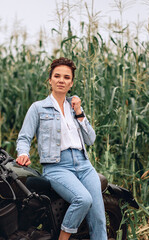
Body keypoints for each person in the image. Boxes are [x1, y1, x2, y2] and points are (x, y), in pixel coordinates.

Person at [16, 57, 107, 240]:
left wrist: (80, 113)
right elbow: (24, 137)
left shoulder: (75, 108)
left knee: (98, 217)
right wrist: (23, 154)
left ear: (71, 83)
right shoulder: (38, 108)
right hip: (57, 166)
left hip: (83, 164)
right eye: (57, 76)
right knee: (83, 199)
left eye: (66, 77)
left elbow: (91, 139)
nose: (61, 80)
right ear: (50, 80)